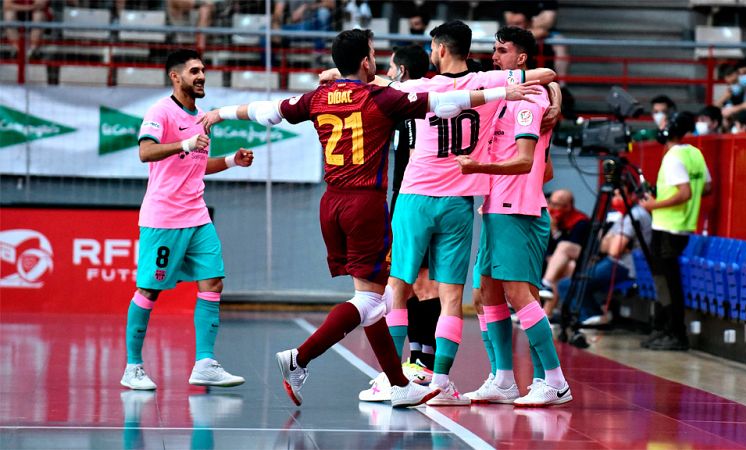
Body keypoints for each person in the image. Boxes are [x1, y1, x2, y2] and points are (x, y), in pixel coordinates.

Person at [201, 28, 543, 408]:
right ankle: (300, 358)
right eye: (372, 52)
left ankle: (397, 383)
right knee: (372, 301)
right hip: (367, 204)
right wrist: (501, 93)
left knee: (378, 298)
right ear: (366, 61)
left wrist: (220, 112)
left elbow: (268, 113)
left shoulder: (319, 96)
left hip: (331, 204)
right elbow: (447, 102)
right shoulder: (381, 97)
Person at [318, 21, 556, 406]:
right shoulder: (487, 86)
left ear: (441, 49)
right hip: (459, 201)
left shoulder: (418, 88)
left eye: (432, 46)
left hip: (415, 196)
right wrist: (554, 97)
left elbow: (373, 85)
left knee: (397, 287)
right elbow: (545, 76)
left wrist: (336, 73)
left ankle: (392, 380)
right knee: (451, 297)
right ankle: (441, 382)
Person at [121, 49, 250, 391]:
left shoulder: (204, 117)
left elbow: (196, 163)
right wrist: (184, 142)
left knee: (213, 282)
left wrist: (232, 161)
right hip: (163, 218)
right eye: (194, 71)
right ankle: (133, 367)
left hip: (197, 215)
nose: (201, 75)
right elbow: (145, 152)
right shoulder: (160, 111)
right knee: (149, 290)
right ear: (175, 77)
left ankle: (205, 363)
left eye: (203, 70)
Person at [456, 25, 571, 407]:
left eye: (502, 50)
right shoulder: (507, 95)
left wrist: (476, 168)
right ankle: (504, 378)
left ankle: (553, 380)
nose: (494, 56)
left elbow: (524, 161)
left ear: (521, 59)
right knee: (486, 290)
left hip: (517, 207)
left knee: (520, 294)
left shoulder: (527, 99)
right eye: (494, 49)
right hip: (496, 205)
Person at [358, 44, 439, 403]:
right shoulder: (409, 99)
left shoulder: (418, 100)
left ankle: (419, 364)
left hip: (415, 198)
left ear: (402, 71)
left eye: (392, 69)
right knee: (409, 282)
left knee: (410, 282)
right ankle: (416, 363)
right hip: (411, 197)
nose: (388, 74)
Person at [640, 111, 712, 351]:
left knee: (668, 283)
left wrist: (653, 204)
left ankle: (675, 334)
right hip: (682, 226)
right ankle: (665, 329)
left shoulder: (672, 157)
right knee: (667, 281)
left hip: (667, 227)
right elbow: (706, 187)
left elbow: (684, 193)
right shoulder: (695, 153)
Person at [557, 185, 652, 325]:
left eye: (620, 195)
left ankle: (588, 317)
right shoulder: (622, 215)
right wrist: (614, 244)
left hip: (626, 266)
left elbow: (613, 250)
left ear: (632, 196)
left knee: (567, 285)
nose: (616, 199)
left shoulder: (635, 215)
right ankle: (594, 316)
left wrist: (613, 243)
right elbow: (601, 244)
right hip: (614, 261)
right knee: (568, 283)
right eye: (614, 195)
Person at [540, 189, 590, 316]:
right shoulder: (555, 219)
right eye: (550, 203)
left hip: (585, 262)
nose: (551, 207)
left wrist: (555, 231)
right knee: (561, 267)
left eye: (556, 204)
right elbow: (549, 250)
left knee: (566, 262)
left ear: (568, 207)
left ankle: (546, 309)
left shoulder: (580, 222)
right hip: (564, 265)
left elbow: (572, 247)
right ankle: (545, 314)